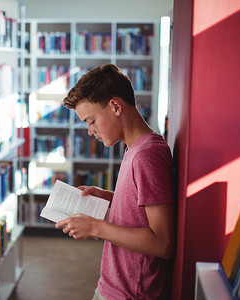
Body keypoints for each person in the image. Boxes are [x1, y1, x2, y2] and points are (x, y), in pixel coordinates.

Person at [56, 64, 176, 299]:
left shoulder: (146, 156)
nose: (90, 131)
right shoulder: (136, 148)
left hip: (130, 293)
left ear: (115, 106)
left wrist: (95, 226)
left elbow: (163, 243)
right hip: (114, 286)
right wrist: (109, 197)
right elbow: (143, 207)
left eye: (91, 121)